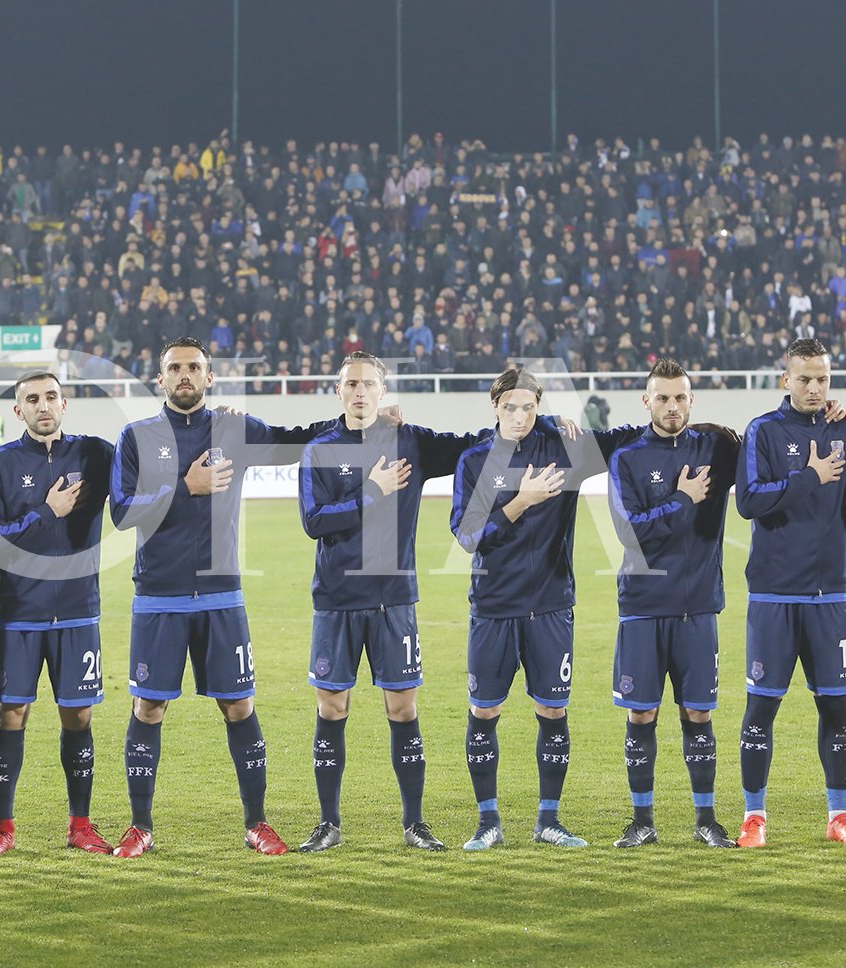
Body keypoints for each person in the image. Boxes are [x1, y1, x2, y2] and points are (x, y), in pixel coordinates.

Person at [108, 336, 338, 858]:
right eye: (175, 368)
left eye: (194, 367)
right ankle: (140, 826)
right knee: (149, 707)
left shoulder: (234, 429)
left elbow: (293, 442)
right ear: (160, 379)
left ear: (210, 378)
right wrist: (184, 487)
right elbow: (121, 512)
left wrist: (353, 419)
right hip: (159, 594)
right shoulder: (136, 436)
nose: (184, 375)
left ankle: (257, 823)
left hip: (221, 594)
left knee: (239, 705)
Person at [293, 351, 477, 853]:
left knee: (403, 707)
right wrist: (371, 492)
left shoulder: (409, 441)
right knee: (332, 707)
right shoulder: (320, 450)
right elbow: (314, 521)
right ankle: (329, 823)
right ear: (338, 391)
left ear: (383, 390)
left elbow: (476, 445)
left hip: (394, 600)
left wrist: (537, 423)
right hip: (337, 599)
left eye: (368, 384)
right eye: (351, 384)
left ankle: (415, 824)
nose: (359, 391)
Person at [448, 368, 638, 851]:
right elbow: (467, 536)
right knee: (484, 709)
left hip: (552, 605)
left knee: (553, 709)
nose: (519, 416)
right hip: (493, 607)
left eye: (529, 407)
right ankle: (488, 822)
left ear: (539, 407)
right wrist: (520, 502)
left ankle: (548, 821)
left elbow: (627, 438)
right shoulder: (475, 460)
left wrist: (702, 434)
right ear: (495, 407)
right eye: (510, 407)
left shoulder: (564, 446)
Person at [733, 339, 846, 847]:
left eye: (822, 379)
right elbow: (748, 501)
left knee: (837, 710)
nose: (814, 388)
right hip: (773, 595)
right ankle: (754, 817)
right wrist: (808, 477)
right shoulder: (763, 430)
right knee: (761, 709)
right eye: (804, 378)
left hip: (830, 597)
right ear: (785, 380)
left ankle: (840, 815)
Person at [0, 371, 116, 858]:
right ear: (19, 410)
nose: (43, 405)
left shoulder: (95, 454)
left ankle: (81, 825)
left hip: (78, 609)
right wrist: (46, 513)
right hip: (20, 612)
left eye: (51, 396)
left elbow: (145, 474)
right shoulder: (1, 463)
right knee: (13, 714)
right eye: (32, 399)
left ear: (64, 403)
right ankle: (3, 828)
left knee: (79, 714)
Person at [606, 358, 740, 849]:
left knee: (699, 714)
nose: (672, 406)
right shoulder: (627, 458)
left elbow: (767, 451)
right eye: (662, 397)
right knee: (642, 715)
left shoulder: (716, 449)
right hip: (643, 606)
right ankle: (642, 821)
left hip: (699, 606)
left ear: (692, 400)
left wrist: (827, 412)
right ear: (646, 401)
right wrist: (682, 500)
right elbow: (630, 533)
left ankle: (706, 820)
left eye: (680, 397)